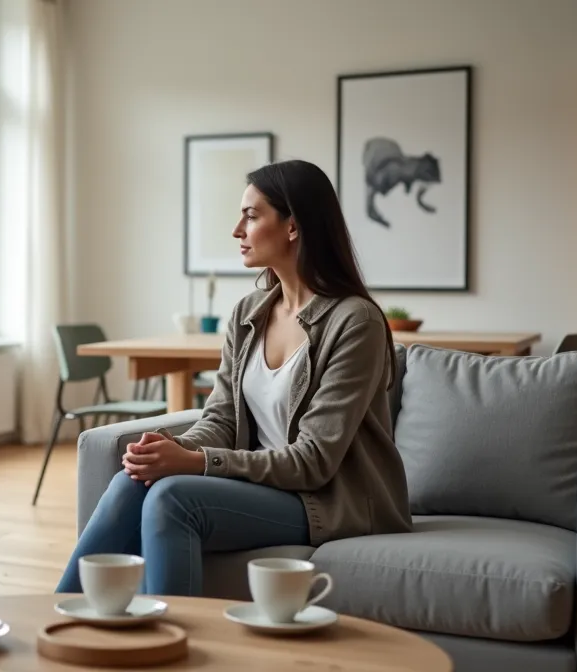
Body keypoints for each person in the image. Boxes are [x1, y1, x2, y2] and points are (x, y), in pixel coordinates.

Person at [56, 159, 412, 598]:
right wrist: (172, 449)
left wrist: (196, 463)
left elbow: (315, 461)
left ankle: (170, 646)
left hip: (333, 500)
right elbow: (221, 419)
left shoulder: (355, 322)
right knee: (136, 480)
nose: (237, 230)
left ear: (293, 227)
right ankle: (60, 617)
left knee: (173, 499)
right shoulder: (250, 312)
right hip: (268, 486)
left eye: (251, 215)